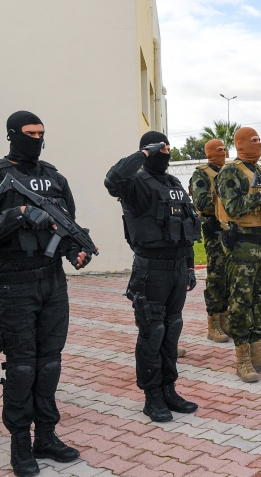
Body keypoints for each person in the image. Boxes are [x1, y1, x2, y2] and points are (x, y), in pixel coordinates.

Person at [1, 111, 90, 476]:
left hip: (53, 282)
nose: (37, 139)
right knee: (22, 366)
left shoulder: (54, 177)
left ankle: (47, 436)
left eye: (41, 133)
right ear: (12, 134)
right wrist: (19, 213)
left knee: (49, 362)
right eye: (30, 133)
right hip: (13, 283)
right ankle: (20, 444)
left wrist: (76, 251)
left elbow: (67, 225)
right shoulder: (1, 175)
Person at [105, 131, 201, 422]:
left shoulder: (174, 184)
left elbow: (185, 228)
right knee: (152, 332)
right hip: (151, 269)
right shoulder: (136, 183)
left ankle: (169, 389)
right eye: (161, 148)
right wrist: (144, 153)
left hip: (177, 268)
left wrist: (189, 267)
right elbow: (112, 180)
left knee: (172, 330)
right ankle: (152, 396)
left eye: (168, 147)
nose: (166, 152)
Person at [214, 127, 261, 383]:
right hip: (242, 247)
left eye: (259, 140)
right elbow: (233, 207)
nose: (258, 144)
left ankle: (258, 354)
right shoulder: (231, 172)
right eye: (253, 140)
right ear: (240, 144)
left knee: (259, 301)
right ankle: (243, 359)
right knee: (241, 303)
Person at [189, 139, 230, 342]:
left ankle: (225, 318)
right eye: (219, 150)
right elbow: (202, 202)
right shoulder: (202, 174)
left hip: (231, 231)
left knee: (229, 276)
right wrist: (228, 200)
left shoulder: (229, 171)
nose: (223, 153)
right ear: (210, 153)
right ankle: (213, 323)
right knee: (216, 276)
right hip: (214, 231)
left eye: (225, 149)